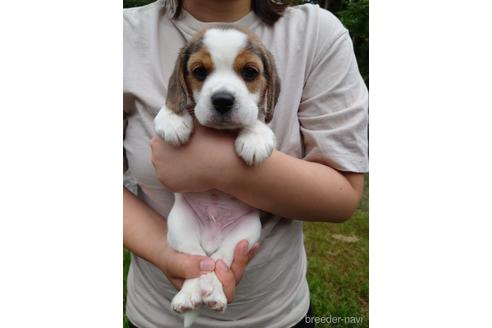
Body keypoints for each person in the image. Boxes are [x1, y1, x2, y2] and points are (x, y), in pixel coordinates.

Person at [123, 0, 368, 327]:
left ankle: (219, 266)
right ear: (183, 79)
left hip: (279, 313)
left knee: (244, 230)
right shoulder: (123, 33)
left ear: (268, 86)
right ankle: (203, 282)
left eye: (248, 72)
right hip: (154, 313)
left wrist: (219, 166)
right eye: (201, 72)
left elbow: (344, 196)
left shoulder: (317, 33)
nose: (223, 92)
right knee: (183, 221)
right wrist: (170, 257)